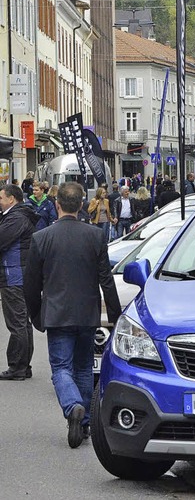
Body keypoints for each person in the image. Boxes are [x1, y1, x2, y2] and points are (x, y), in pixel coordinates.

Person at [23, 182, 122, 448]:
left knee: (61, 369)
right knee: (83, 367)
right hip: (87, 312)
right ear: (81, 206)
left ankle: (72, 407)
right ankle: (85, 422)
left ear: (57, 205)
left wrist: (35, 314)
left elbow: (31, 284)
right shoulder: (95, 236)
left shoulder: (41, 238)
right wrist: (115, 314)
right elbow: (106, 279)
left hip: (56, 313)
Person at [0, 185, 39, 381]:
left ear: (12, 199)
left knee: (17, 323)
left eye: (1, 197)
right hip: (19, 275)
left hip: (12, 276)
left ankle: (17, 367)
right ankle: (23, 366)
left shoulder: (16, 218)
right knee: (23, 323)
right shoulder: (18, 216)